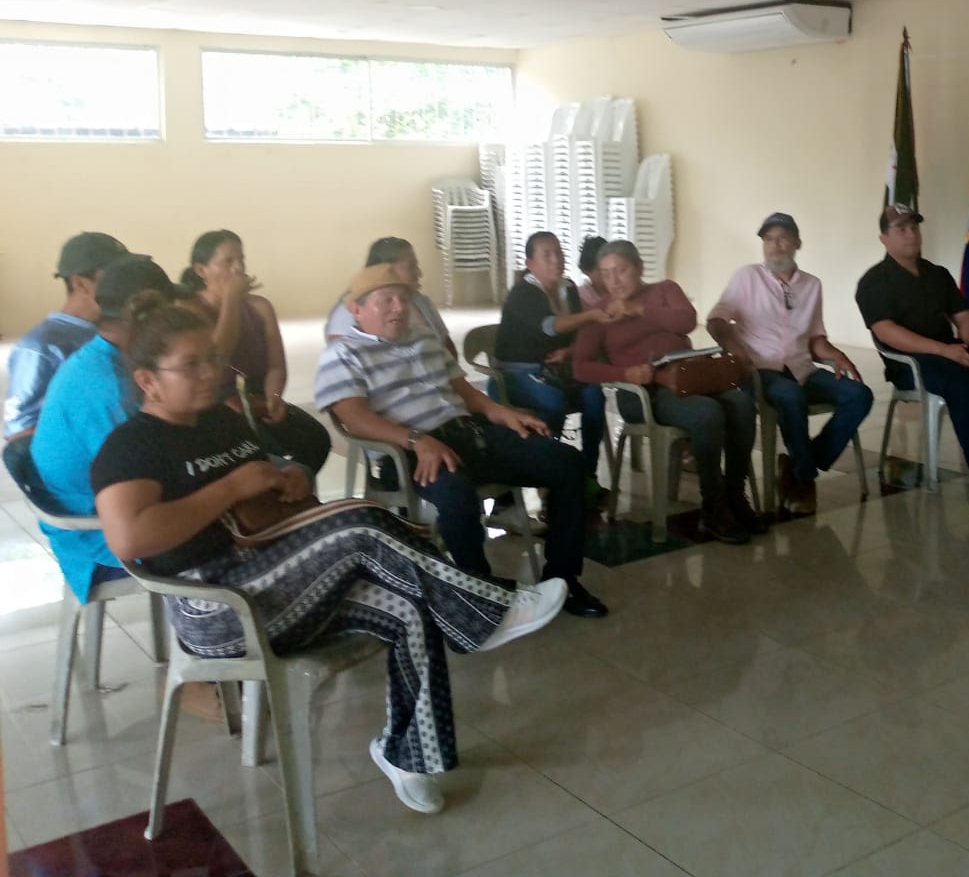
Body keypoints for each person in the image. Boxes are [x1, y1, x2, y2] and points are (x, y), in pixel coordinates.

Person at [91, 298, 567, 815]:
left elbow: (261, 493)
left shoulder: (220, 422)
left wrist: (287, 480)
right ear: (148, 380)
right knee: (361, 526)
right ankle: (482, 611)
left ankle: (408, 756)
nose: (210, 372)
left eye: (213, 358)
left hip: (276, 575)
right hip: (216, 607)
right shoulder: (131, 447)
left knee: (408, 601)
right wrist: (228, 489)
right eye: (191, 364)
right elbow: (129, 539)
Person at [316, 263, 607, 618]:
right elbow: (353, 417)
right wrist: (416, 439)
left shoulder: (424, 339)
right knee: (456, 493)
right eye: (386, 300)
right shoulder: (343, 355)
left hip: (469, 434)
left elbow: (466, 393)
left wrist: (505, 414)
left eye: (404, 298)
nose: (399, 307)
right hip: (406, 453)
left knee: (566, 462)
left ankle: (563, 579)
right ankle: (479, 598)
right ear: (357, 309)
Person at [571, 240, 762, 544]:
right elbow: (580, 367)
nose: (614, 281)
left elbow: (686, 321)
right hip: (642, 394)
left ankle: (735, 493)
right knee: (707, 413)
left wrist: (637, 309)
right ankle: (713, 505)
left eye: (621, 271)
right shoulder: (600, 313)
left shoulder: (664, 290)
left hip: (689, 378)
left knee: (741, 404)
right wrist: (625, 374)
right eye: (606, 274)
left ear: (639, 268)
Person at [855, 204, 969, 516]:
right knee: (959, 381)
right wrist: (944, 351)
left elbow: (965, 317)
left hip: (951, 352)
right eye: (901, 229)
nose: (911, 234)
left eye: (914, 227)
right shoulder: (874, 282)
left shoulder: (936, 274)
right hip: (910, 363)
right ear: (884, 238)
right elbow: (887, 332)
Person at [30, 255, 180, 601]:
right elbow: (154, 480)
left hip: (96, 517)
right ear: (145, 316)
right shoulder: (111, 388)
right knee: (247, 533)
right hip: (99, 541)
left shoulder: (104, 358)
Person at [708, 212, 873, 517]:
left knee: (860, 395)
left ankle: (800, 464)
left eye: (782, 238)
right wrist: (733, 347)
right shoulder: (747, 277)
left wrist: (836, 355)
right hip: (759, 371)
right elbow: (716, 320)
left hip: (801, 368)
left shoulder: (812, 285)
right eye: (768, 239)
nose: (775, 246)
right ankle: (805, 479)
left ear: (797, 243)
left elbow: (815, 338)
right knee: (790, 395)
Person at [179, 230, 331, 477]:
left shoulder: (260, 306)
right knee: (258, 448)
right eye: (228, 261)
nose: (238, 268)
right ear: (201, 270)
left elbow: (276, 365)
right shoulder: (189, 310)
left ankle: (296, 490)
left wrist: (273, 397)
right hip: (216, 403)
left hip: (258, 394)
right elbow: (218, 356)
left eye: (241, 259)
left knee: (315, 439)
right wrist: (231, 299)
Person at [494, 231, 611, 480]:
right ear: (530, 263)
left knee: (595, 397)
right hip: (518, 372)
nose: (556, 259)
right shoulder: (523, 292)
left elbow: (579, 332)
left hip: (558, 370)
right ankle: (549, 475)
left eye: (558, 252)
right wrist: (590, 315)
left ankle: (587, 474)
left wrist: (570, 350)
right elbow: (550, 326)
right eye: (547, 255)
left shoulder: (568, 288)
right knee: (553, 401)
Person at [5, 231, 128, 439]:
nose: (124, 285)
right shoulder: (40, 346)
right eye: (114, 276)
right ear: (79, 283)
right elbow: (19, 432)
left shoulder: (117, 332)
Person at [325, 237, 456, 356]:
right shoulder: (350, 310)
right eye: (411, 266)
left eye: (403, 300)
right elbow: (341, 356)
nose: (419, 273)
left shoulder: (421, 301)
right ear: (385, 268)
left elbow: (446, 345)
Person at [575, 235, 607, 309]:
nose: (609, 275)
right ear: (585, 271)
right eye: (602, 270)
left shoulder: (621, 290)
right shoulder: (579, 296)